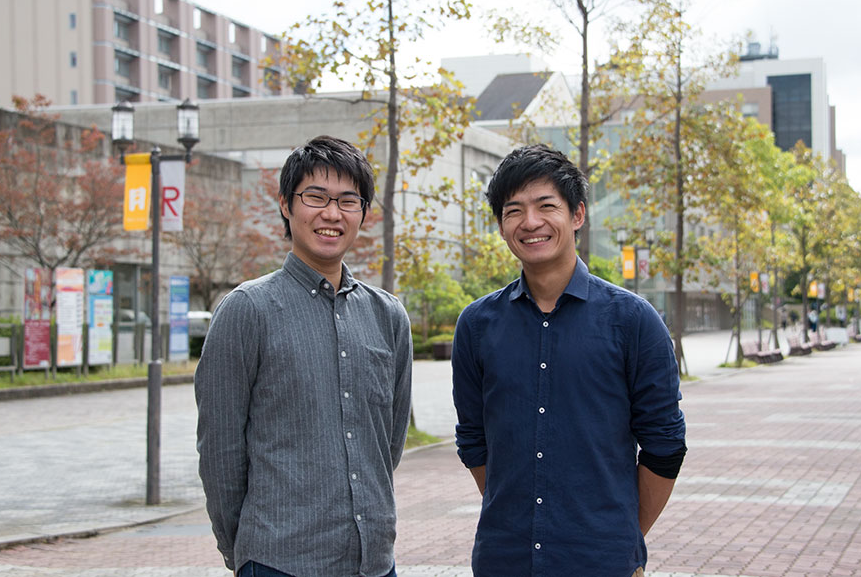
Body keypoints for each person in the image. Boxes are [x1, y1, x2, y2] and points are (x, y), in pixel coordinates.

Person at [451, 145, 687, 577]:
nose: (531, 222)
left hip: (603, 562)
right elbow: (472, 440)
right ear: (502, 225)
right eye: (514, 210)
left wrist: (619, 535)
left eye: (546, 206)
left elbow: (665, 445)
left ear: (577, 215)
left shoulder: (633, 321)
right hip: (504, 561)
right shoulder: (477, 324)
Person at [196, 135, 413, 577]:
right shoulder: (247, 309)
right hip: (279, 561)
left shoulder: (388, 315)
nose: (332, 214)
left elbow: (387, 443)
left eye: (348, 201)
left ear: (364, 214)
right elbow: (219, 450)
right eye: (315, 197)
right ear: (285, 204)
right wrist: (243, 549)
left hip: (373, 561)